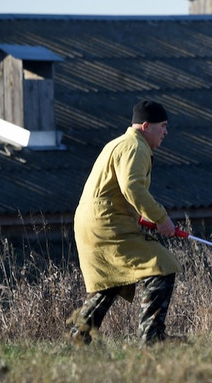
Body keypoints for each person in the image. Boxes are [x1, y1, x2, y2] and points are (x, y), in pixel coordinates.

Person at [67, 100, 181, 346]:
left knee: (110, 282)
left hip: (93, 222)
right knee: (163, 265)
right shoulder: (135, 147)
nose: (166, 132)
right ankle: (152, 337)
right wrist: (161, 219)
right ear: (145, 126)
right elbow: (132, 187)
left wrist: (140, 217)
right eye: (162, 126)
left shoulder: (118, 143)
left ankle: (79, 337)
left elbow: (117, 192)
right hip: (107, 225)